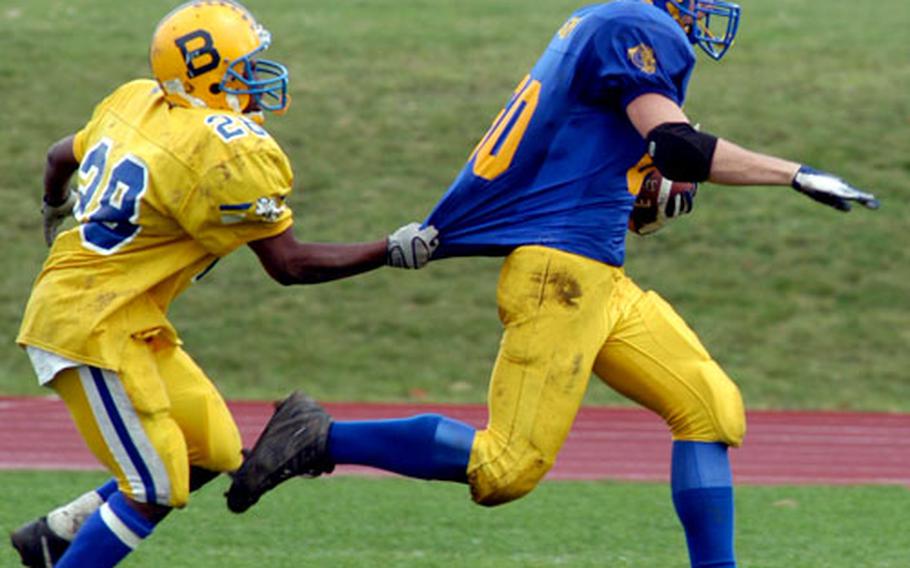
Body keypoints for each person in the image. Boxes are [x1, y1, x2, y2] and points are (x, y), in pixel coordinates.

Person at [226, 1, 879, 567]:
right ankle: (319, 437)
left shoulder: (602, 25)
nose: (703, 10)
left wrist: (637, 187)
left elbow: (592, 150)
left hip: (596, 272)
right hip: (559, 275)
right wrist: (795, 173)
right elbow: (678, 147)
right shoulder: (634, 23)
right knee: (504, 469)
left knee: (710, 408)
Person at [7, 2, 438, 567]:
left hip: (131, 318)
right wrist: (390, 250)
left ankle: (53, 537)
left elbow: (58, 154)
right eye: (241, 71)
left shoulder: (139, 99)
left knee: (211, 451)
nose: (256, 81)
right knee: (157, 487)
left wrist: (54, 200)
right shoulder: (219, 151)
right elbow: (289, 264)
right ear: (206, 78)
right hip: (84, 326)